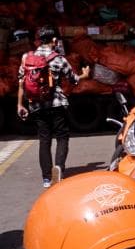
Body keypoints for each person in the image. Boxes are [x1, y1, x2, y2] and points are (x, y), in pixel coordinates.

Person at [17, 26, 90, 187]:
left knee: (44, 139)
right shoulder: (58, 58)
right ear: (54, 41)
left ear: (39, 41)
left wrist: (20, 104)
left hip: (36, 104)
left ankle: (46, 178)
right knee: (62, 136)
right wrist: (84, 74)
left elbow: (21, 82)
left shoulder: (27, 58)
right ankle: (59, 168)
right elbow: (73, 80)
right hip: (56, 102)